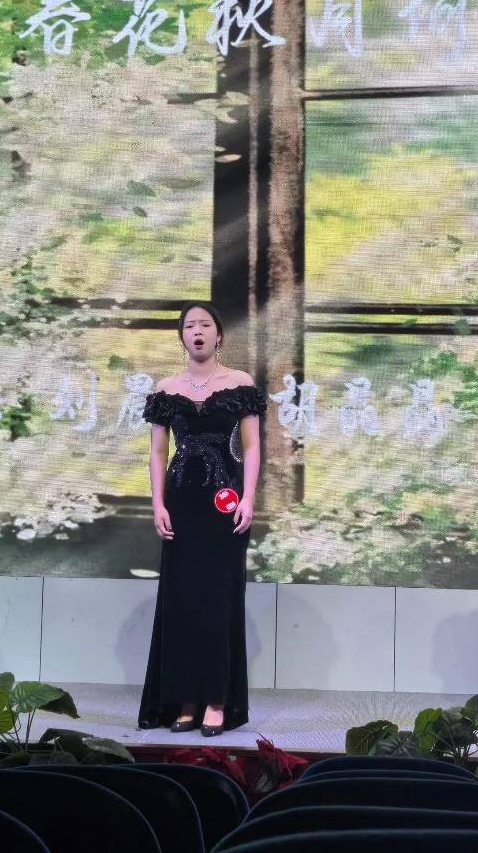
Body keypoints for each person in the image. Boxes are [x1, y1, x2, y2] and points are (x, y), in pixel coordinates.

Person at [137, 301, 266, 737]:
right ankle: (185, 699)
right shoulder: (166, 388)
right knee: (182, 600)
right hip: (181, 503)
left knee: (218, 598)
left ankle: (215, 700)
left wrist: (249, 497)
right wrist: (158, 504)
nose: (197, 331)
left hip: (223, 503)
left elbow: (251, 446)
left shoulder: (240, 383)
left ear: (218, 334)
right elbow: (158, 452)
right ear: (182, 336)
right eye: (189, 325)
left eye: (205, 324)